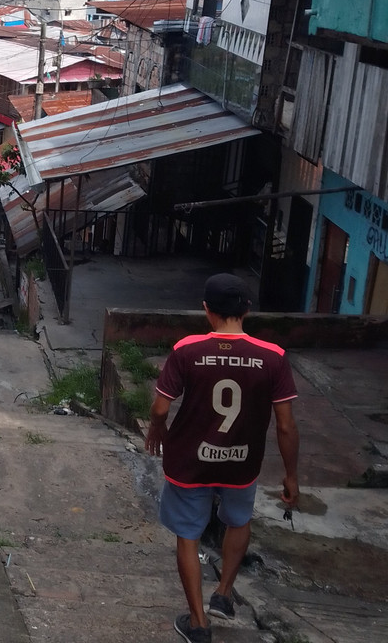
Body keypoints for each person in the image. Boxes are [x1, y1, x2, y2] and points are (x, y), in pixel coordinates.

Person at [146, 274, 299, 643]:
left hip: (190, 462)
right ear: (247, 309)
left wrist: (157, 429)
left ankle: (198, 624)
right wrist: (291, 475)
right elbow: (285, 426)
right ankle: (224, 595)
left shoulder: (187, 350)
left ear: (206, 310)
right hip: (241, 462)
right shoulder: (274, 358)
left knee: (188, 534)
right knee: (238, 519)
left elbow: (161, 407)